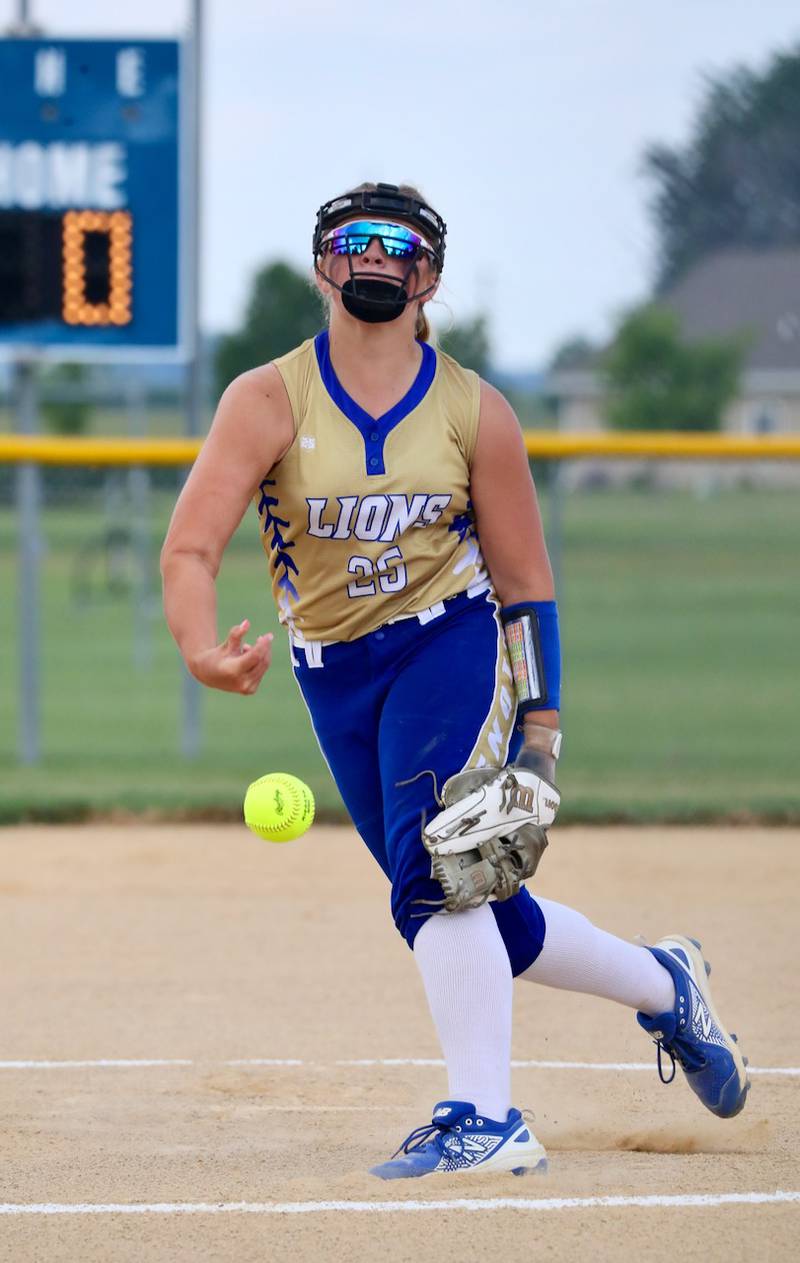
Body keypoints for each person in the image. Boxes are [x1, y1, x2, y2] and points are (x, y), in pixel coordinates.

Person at [160, 181, 749, 1181]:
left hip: (448, 643)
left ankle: (485, 1119)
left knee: (435, 870)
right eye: (353, 243)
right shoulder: (267, 399)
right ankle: (661, 982)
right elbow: (189, 547)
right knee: (485, 907)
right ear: (321, 267)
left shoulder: (476, 411)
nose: (376, 260)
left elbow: (523, 585)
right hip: (331, 674)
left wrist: (541, 727)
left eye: (401, 246)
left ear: (430, 276)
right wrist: (198, 645)